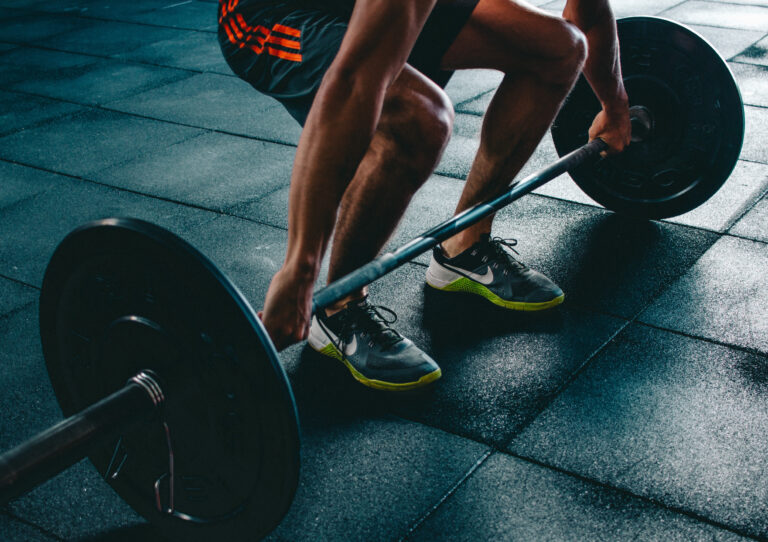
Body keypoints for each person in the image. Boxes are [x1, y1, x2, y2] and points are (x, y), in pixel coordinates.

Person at [218, 0, 631, 391]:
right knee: (420, 117)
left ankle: (464, 245)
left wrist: (615, 106)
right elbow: (356, 80)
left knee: (559, 49)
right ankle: (339, 308)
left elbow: (588, 14)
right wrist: (299, 270)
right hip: (272, 13)